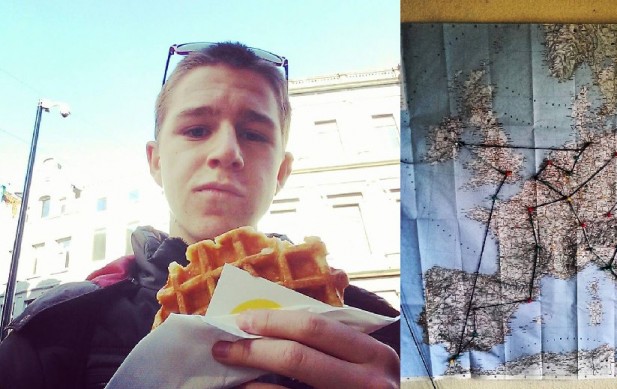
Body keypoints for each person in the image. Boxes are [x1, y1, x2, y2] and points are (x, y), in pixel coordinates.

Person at [0, 42, 400, 388]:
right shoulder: (58, 331)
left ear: (281, 172)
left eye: (254, 134)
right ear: (156, 162)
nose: (226, 151)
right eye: (196, 130)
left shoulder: (380, 335)